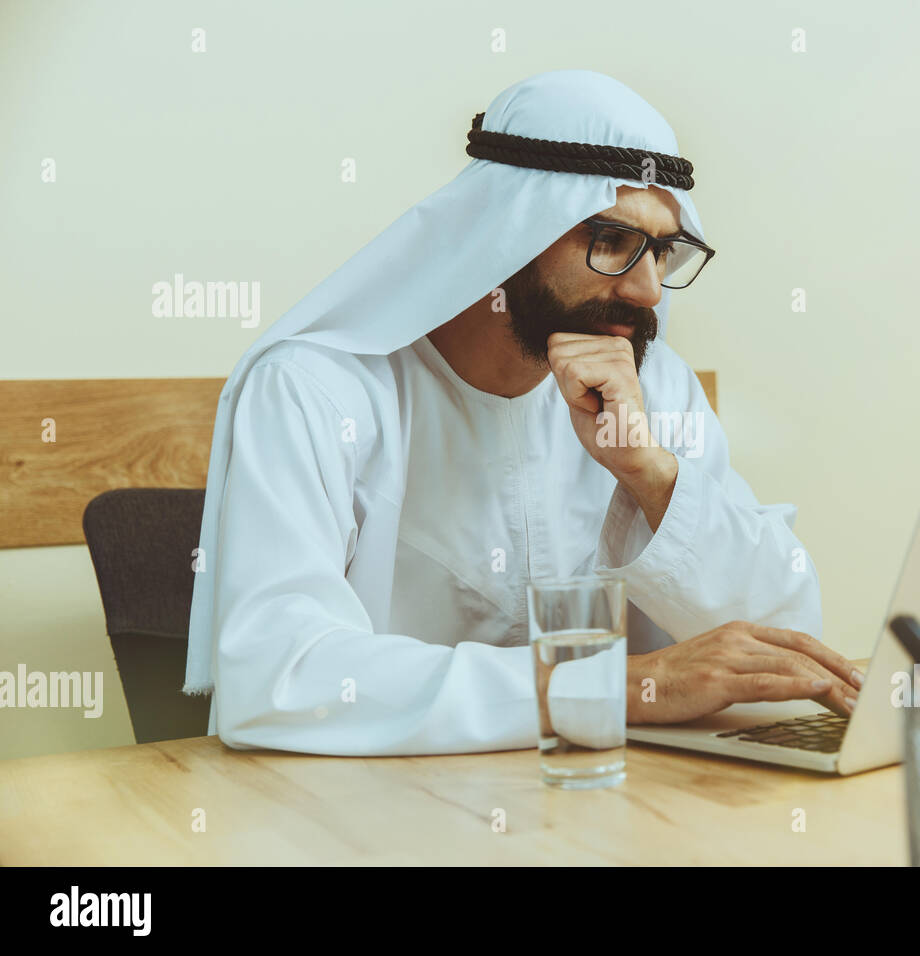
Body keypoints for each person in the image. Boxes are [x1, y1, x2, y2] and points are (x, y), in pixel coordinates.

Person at [183, 69, 863, 755]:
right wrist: (615, 687)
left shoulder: (654, 390)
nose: (649, 289)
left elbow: (782, 642)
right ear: (508, 229)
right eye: (613, 241)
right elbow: (276, 679)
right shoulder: (315, 393)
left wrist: (652, 476)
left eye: (660, 250)